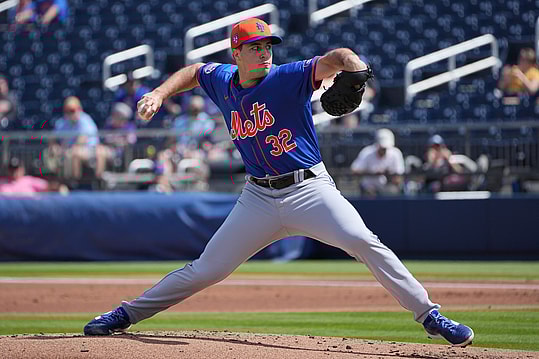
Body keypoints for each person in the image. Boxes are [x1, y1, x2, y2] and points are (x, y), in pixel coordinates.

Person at [84, 18, 474, 347]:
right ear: (236, 53)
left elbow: (339, 58)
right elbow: (194, 72)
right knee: (207, 270)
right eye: (255, 46)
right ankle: (125, 314)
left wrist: (355, 70)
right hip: (257, 198)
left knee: (362, 241)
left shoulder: (289, 77)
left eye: (268, 44)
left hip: (309, 190)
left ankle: (430, 315)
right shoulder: (223, 80)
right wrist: (157, 92)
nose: (265, 51)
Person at [52, 96, 100, 179]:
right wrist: (55, 147)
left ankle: (74, 182)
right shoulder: (62, 122)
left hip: (90, 151)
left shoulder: (85, 120)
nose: (69, 113)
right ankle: (59, 181)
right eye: (67, 111)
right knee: (57, 153)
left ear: (79, 109)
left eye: (72, 110)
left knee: (74, 153)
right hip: (69, 149)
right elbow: (52, 138)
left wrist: (66, 150)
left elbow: (81, 140)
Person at [350, 128, 405, 196]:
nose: (383, 150)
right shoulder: (367, 152)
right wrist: (372, 172)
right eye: (382, 148)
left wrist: (387, 174)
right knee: (369, 194)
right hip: (369, 186)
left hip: (387, 186)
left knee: (392, 192)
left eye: (385, 148)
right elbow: (354, 170)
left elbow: (399, 178)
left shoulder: (396, 153)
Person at [99, 102, 137, 174]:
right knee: (100, 151)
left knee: (101, 153)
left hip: (122, 153)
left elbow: (131, 141)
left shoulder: (129, 127)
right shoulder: (109, 126)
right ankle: (100, 176)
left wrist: (117, 142)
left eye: (117, 115)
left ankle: (100, 176)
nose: (114, 117)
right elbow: (105, 139)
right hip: (109, 150)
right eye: (114, 115)